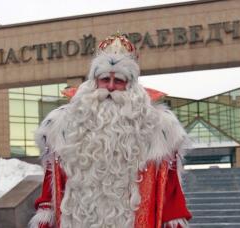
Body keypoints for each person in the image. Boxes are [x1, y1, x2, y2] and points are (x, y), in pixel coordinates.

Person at [29, 34, 192, 228]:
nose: (111, 87)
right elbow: (50, 187)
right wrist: (45, 215)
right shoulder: (63, 126)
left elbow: (171, 191)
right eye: (105, 79)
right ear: (94, 81)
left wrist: (174, 221)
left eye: (119, 81)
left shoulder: (158, 128)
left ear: (131, 86)